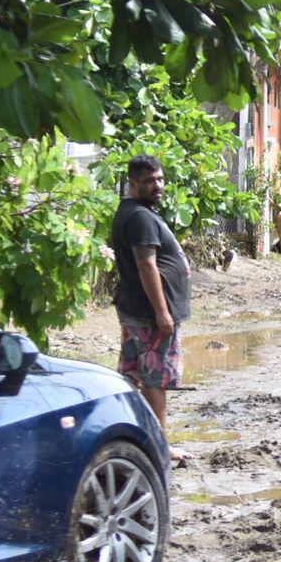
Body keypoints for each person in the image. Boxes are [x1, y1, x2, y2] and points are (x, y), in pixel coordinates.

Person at [110, 155, 192, 438]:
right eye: (149, 181)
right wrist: (162, 311)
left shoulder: (134, 212)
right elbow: (146, 265)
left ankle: (135, 437)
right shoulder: (140, 217)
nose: (157, 185)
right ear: (133, 183)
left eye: (160, 179)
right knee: (154, 380)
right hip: (149, 315)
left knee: (135, 376)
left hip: (138, 310)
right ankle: (159, 446)